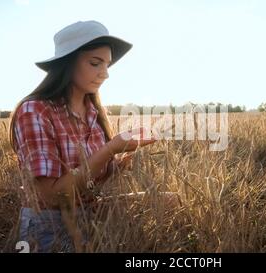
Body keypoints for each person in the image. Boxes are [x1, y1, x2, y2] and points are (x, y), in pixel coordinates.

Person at [9, 20, 172, 252]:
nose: (105, 74)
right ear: (67, 63)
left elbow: (91, 179)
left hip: (90, 211)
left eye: (107, 65)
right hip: (50, 224)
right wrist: (108, 150)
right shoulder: (35, 111)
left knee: (169, 200)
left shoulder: (94, 112)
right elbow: (53, 197)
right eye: (96, 63)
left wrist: (118, 163)